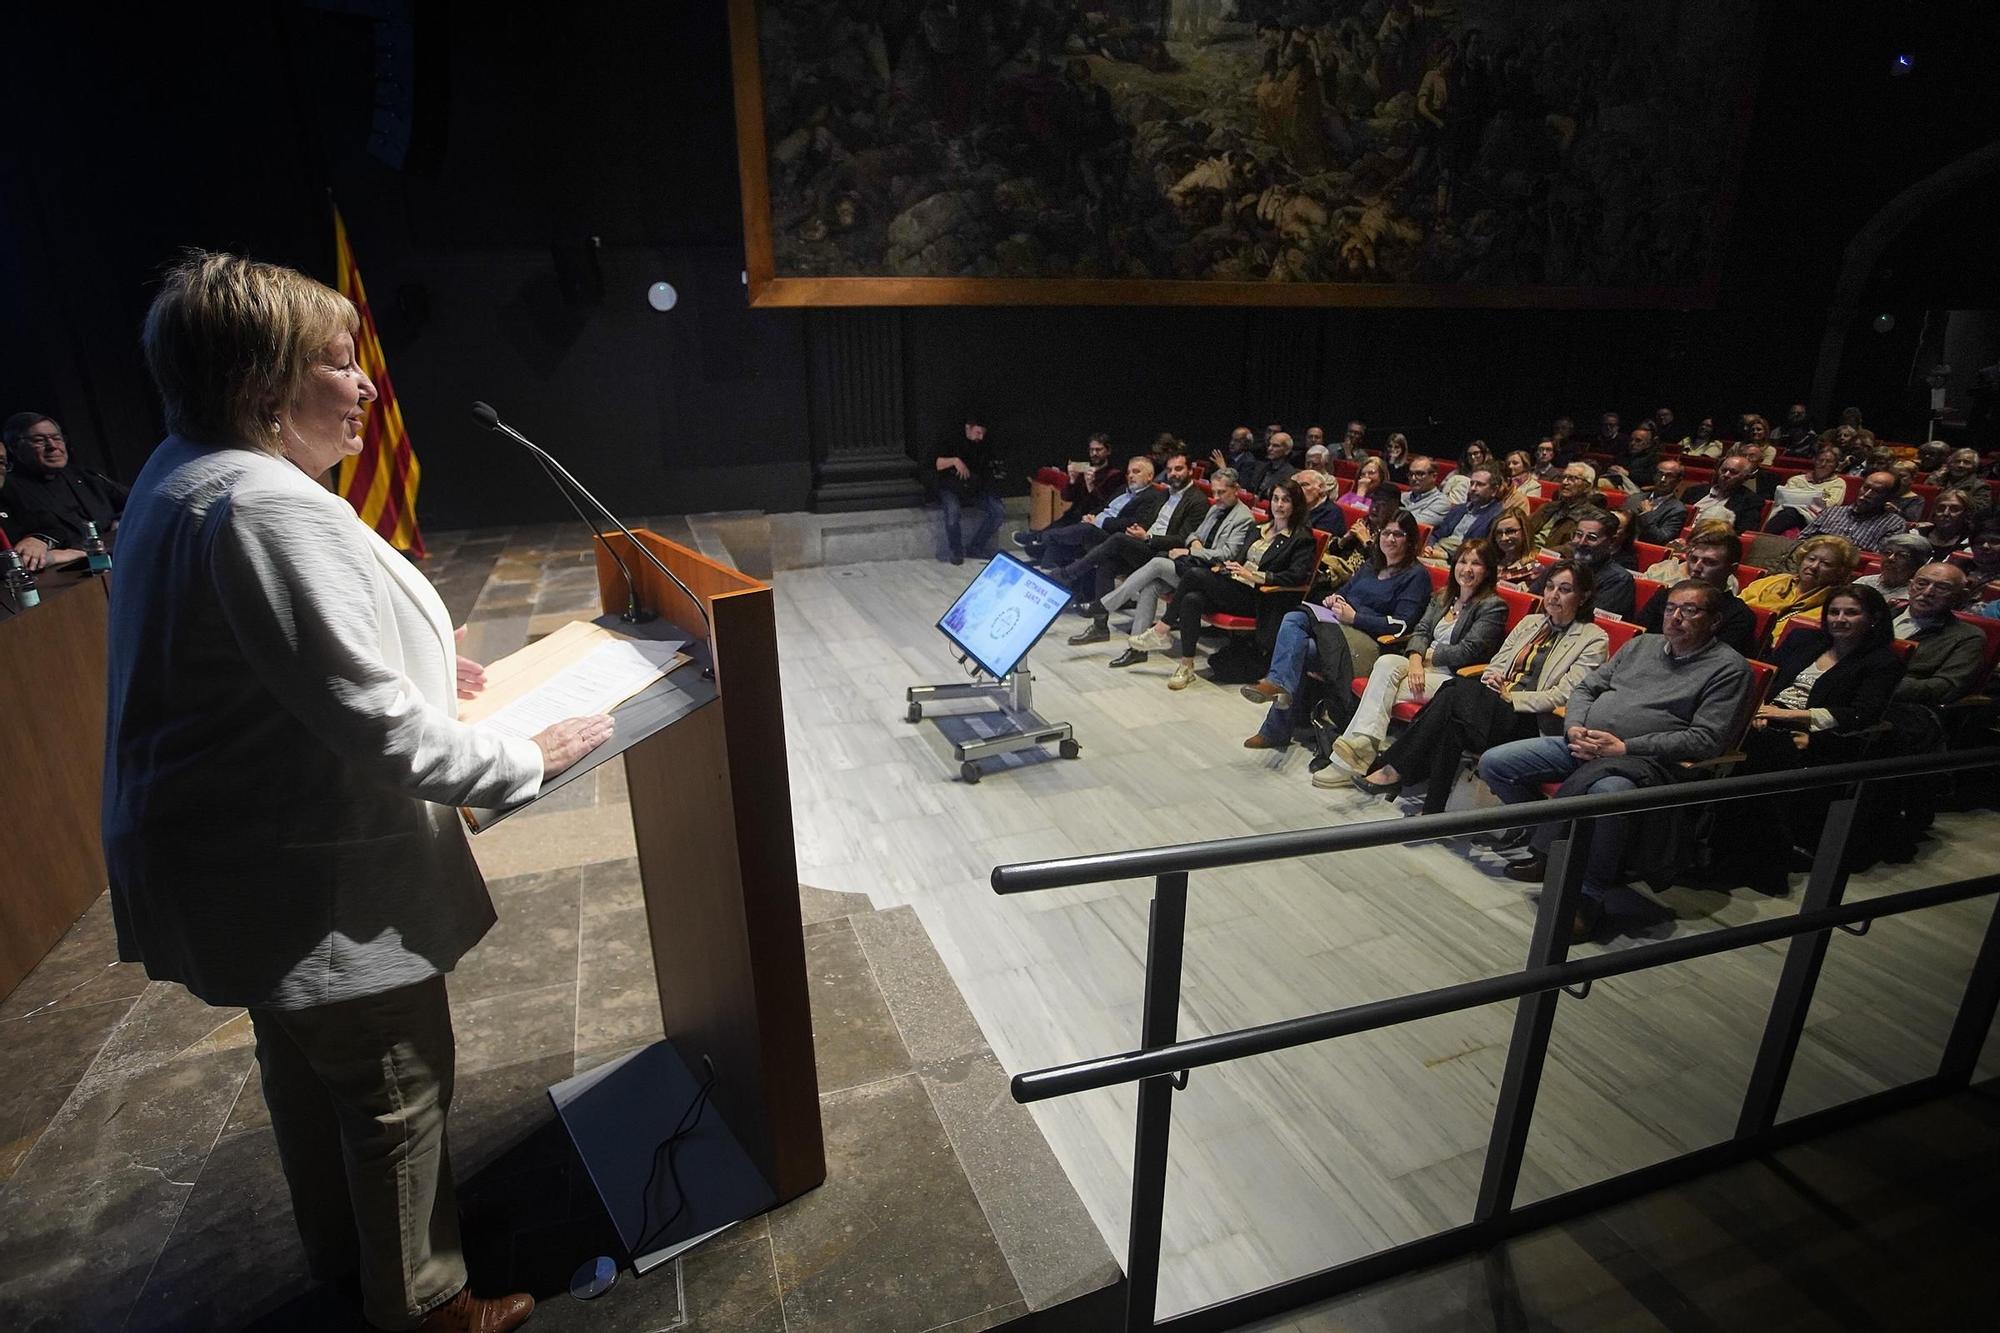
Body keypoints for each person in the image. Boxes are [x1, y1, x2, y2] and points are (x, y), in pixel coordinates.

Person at [104, 253, 611, 1333]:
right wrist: (531, 757)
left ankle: (348, 1263)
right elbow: (370, 724)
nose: (368, 384)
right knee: (397, 1087)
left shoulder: (183, 472)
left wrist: (430, 666)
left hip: (237, 864)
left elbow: (256, 668)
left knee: (302, 1071)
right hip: (306, 878)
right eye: (339, 362)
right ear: (264, 388)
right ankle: (428, 1307)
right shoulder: (261, 508)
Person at [1479, 581, 1752, 942]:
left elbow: (1706, 739)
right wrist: (1575, 725)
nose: (1676, 617)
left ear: (1715, 621)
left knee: (1608, 794)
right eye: (1671, 608)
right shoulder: (1642, 645)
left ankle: (1588, 895)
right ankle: (1548, 847)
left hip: (1646, 765)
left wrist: (1625, 747)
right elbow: (1586, 689)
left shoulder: (1728, 669)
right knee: (1496, 763)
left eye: (1690, 610)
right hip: (1585, 743)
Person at [1349, 561, 1609, 812]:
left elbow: (1566, 694)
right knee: (1453, 713)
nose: (1553, 595)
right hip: (1491, 705)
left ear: (1583, 597)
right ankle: (1431, 810)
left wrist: (1511, 697)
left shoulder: (1592, 639)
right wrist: (1493, 679)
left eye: (1564, 590)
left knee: (1453, 694)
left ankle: (1393, 768)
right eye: (1550, 586)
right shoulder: (1532, 623)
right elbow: (1497, 663)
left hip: (1530, 718)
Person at [1731, 586, 1906, 891]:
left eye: (1851, 612)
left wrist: (1789, 717)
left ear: (1874, 618)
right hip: (1765, 717)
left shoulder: (1881, 662)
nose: (1840, 619)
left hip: (1820, 736)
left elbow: (1860, 715)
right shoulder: (1804, 640)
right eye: (1834, 612)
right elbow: (1770, 677)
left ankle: (1760, 863)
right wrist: (1759, 706)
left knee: (1761, 755)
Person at [1235, 510, 1429, 747]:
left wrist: (1356, 618)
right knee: (1295, 623)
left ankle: (1276, 721)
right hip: (1338, 627)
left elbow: (1402, 625)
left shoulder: (1416, 576)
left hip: (1367, 643)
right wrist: (1333, 599)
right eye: (1386, 533)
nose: (1390, 539)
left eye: (1398, 535)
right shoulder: (1371, 565)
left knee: (1298, 643)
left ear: (1410, 541)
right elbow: (1344, 593)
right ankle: (1279, 686)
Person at [1313, 538, 1506, 771]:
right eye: (1462, 561)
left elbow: (1468, 651)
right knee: (1385, 663)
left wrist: (1428, 656)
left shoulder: (1493, 606)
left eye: (1476, 564)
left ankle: (1347, 761)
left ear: (1487, 571)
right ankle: (1362, 749)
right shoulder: (1443, 597)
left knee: (1380, 689)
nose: (1466, 569)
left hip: (1452, 680)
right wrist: (1415, 660)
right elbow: (1422, 631)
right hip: (1420, 666)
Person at [1129, 478, 1319, 690]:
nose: (1279, 505)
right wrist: (1229, 567)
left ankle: (1161, 629)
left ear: (1296, 505)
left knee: (1194, 575)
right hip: (1234, 586)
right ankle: (1186, 666)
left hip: (1260, 597)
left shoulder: (1301, 537)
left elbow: (1297, 576)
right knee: (1192, 599)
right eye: (1275, 499)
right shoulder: (1259, 528)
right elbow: (1239, 558)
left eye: (1286, 500)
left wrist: (1257, 576)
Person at [1100, 469, 1257, 668]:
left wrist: (1192, 552)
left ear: (1236, 490)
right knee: (1153, 585)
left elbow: (1228, 554)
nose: (1216, 497)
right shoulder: (1216, 508)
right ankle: (1137, 650)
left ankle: (1105, 606)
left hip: (1212, 576)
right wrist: (1194, 544)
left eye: (1222, 492)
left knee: (1157, 564)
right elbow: (1193, 534)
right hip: (1194, 566)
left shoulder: (1244, 518)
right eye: (1214, 492)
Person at [1062, 451, 1211, 641]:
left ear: (1190, 471)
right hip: (1145, 546)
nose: (1173, 473)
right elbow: (1147, 520)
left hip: (1164, 554)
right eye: (1170, 470)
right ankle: (1100, 627)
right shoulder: (1164, 493)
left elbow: (1182, 539)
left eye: (1179, 469)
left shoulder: (1197, 501)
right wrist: (1137, 529)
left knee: (1117, 539)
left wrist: (1147, 536)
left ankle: (1070, 573)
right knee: (1107, 563)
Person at [1, 411, 129, 554]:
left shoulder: (86, 475)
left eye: (57, 438)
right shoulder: (7, 488)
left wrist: (120, 520)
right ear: (14, 448)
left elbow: (135, 501)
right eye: (39, 440)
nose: (52, 446)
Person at [1633, 526, 1758, 653]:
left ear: (1732, 569)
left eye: (1709, 562)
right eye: (1693, 559)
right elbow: (1637, 641)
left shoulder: (1739, 616)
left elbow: (1713, 662)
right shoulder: (1665, 596)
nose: (1696, 568)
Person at [1030, 455, 1163, 569]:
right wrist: (1090, 515)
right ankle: (1048, 569)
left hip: (1110, 534)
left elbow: (1132, 522)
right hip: (1094, 524)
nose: (1131, 476)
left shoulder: (1152, 496)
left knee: (1083, 530)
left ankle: (1039, 538)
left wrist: (1098, 521)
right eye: (1129, 472)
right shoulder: (1123, 489)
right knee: (1065, 537)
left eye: (1136, 472)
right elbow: (1103, 506)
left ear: (1150, 476)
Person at [1892, 563, 1986, 705]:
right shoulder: (1880, 615)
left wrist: (1879, 682)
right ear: (1910, 586)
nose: (1927, 592)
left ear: (1961, 596)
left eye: (1942, 588)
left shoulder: (1968, 637)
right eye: (1922, 583)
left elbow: (1944, 688)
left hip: (1904, 706)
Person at [1740, 534, 1858, 646]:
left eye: (1825, 564)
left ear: (1840, 572)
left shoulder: (1833, 606)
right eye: (1811, 559)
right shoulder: (1773, 581)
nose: (1813, 566)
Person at [1532, 507, 1634, 617]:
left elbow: (1588, 618)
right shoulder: (1558, 567)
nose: (1581, 543)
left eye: (1591, 537)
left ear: (1611, 541)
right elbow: (1532, 600)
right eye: (1579, 534)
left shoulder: (1618, 580)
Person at [0, 437, 85, 568]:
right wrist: (50, 557)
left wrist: (39, 540)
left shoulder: (8, 495)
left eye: (1, 462)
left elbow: (55, 529)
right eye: (39, 440)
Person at [933, 413, 1005, 564]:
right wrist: (954, 461)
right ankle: (956, 550)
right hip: (951, 486)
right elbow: (937, 463)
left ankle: (976, 546)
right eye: (978, 432)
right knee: (952, 513)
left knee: (997, 511)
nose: (980, 437)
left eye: (982, 434)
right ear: (968, 428)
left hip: (974, 487)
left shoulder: (982, 446)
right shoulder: (951, 441)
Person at [1022, 431, 1120, 541]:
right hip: (1073, 515)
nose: (1094, 453)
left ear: (1108, 451)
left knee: (1051, 537)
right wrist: (1072, 480)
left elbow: (1104, 505)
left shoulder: (1114, 475)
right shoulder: (1084, 469)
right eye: (1091, 450)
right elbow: (1067, 497)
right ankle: (1036, 539)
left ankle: (1036, 539)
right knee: (1052, 532)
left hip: (1092, 518)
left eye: (1098, 450)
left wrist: (1091, 486)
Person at [1790, 468, 1908, 553]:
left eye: (1876, 491)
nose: (1866, 494)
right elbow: (1802, 540)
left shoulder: (1894, 524)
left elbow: (1881, 558)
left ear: (1889, 497)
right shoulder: (1832, 512)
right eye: (1865, 487)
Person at [1762, 446, 1848, 534]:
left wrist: (1802, 495)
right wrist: (1816, 497)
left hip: (1815, 517)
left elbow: (1831, 504)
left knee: (1790, 513)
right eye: (1820, 460)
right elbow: (1784, 499)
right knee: (1789, 515)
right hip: (1787, 512)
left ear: (1836, 465)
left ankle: (1763, 536)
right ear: (1815, 461)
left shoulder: (1838, 483)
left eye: (1829, 461)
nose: (1823, 464)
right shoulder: (1796, 480)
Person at [1425, 465, 1505, 557]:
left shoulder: (1498, 516)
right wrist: (1429, 546)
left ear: (1494, 490)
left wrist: (1446, 555)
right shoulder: (1459, 509)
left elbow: (1485, 551)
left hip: (1461, 560)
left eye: (1480, 484)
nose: (1473, 488)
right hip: (1436, 549)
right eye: (1472, 483)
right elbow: (1436, 534)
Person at [1683, 450, 1765, 532]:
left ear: (1745, 477)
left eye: (1733, 472)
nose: (1726, 475)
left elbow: (1742, 531)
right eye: (1724, 470)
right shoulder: (1694, 491)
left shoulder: (1751, 501)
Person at [1526, 462, 1599, 551]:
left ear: (1587, 487)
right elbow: (1524, 527)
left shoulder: (1590, 517)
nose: (1565, 482)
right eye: (1564, 477)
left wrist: (1543, 555)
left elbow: (1573, 547)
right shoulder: (1549, 507)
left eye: (1572, 478)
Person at [1855, 531, 1934, 608]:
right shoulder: (1864, 581)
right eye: (1888, 552)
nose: (1890, 558)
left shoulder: (1914, 596)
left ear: (1918, 564)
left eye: (1902, 555)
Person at [1620, 456, 1688, 545]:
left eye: (1669, 476)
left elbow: (1660, 539)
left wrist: (1647, 515)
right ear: (1654, 475)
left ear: (1678, 481)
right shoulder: (1634, 498)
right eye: (1660, 474)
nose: (1662, 480)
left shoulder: (1677, 510)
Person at [1919, 487, 1977, 558]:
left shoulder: (1973, 542)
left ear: (1967, 513)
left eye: (1954, 509)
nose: (1945, 513)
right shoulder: (1919, 534)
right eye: (1941, 508)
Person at [1603, 422, 1659, 490]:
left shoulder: (1653, 458)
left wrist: (1628, 474)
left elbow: (1650, 479)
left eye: (1638, 441)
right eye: (1631, 440)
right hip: (1616, 482)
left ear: (1648, 444)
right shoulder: (1623, 454)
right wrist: (1611, 468)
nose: (1632, 443)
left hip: (1635, 489)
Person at [1400, 454, 1453, 526]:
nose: (1413, 478)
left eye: (1420, 474)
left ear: (1434, 477)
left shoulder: (1441, 502)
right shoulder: (1402, 496)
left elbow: (1412, 525)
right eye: (1411, 474)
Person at [1489, 510, 1537, 584]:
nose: (1504, 538)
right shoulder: (1488, 562)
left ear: (1525, 532)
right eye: (1499, 533)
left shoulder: (1535, 569)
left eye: (1511, 531)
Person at [1296, 468, 1348, 536]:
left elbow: (1316, 541)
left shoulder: (1332, 513)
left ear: (1321, 488)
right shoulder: (1296, 507)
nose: (1298, 489)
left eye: (1305, 485)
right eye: (1297, 486)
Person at [1439, 440, 1491, 505]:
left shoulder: (1490, 472)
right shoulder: (1459, 471)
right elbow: (1442, 486)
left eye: (1476, 453)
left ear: (1484, 454)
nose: (1472, 457)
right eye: (1469, 455)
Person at [1251, 430, 1300, 498]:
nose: (1269, 448)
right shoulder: (1262, 467)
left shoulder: (1290, 474)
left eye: (1276, 446)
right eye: (1269, 445)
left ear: (1287, 450)